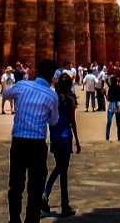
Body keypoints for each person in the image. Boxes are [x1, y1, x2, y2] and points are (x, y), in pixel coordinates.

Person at [3, 58, 59, 223]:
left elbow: (6, 94)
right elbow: (54, 121)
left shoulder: (22, 86)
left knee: (16, 185)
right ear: (52, 77)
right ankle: (31, 221)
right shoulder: (52, 96)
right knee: (35, 187)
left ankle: (14, 220)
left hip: (19, 142)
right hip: (37, 145)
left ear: (36, 72)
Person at [42, 72, 81, 217]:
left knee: (60, 168)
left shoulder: (53, 99)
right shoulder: (70, 100)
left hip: (55, 137)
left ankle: (46, 194)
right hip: (65, 137)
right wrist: (77, 140)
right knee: (62, 170)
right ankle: (64, 205)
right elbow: (72, 121)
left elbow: (49, 118)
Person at [106, 75, 120, 142]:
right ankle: (108, 137)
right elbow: (109, 99)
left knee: (114, 122)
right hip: (112, 105)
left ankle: (118, 137)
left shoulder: (118, 88)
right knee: (112, 122)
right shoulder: (112, 88)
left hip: (117, 106)